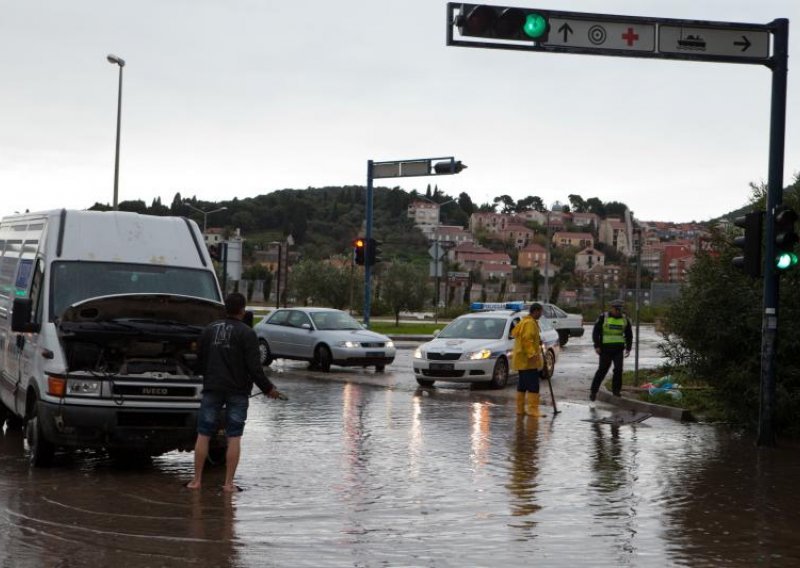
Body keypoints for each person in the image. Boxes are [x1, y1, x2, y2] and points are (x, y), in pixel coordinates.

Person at [187, 292, 283, 492]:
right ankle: (228, 484)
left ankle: (196, 481)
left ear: (225, 309)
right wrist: (269, 389)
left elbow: (199, 363)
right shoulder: (248, 334)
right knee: (234, 436)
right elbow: (254, 368)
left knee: (203, 433)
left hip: (212, 388)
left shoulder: (209, 330)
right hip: (238, 392)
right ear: (243, 310)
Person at [589, 299, 633, 402]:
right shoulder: (603, 317)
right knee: (602, 371)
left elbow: (629, 335)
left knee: (618, 370)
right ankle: (593, 391)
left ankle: (616, 391)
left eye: (620, 309)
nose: (618, 311)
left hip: (618, 350)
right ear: (612, 308)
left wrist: (628, 348)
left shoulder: (624, 319)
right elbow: (596, 332)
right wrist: (597, 346)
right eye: (616, 309)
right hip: (605, 350)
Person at [511, 303, 545, 417]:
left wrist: (537, 341)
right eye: (540, 312)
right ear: (535, 311)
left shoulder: (526, 321)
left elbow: (527, 338)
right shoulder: (530, 323)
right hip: (528, 361)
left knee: (523, 385)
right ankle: (533, 410)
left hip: (522, 360)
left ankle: (520, 410)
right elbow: (526, 340)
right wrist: (532, 355)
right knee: (533, 385)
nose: (541, 314)